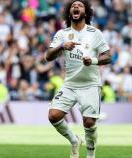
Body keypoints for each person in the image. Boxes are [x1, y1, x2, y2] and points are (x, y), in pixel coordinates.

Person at [46, 1, 111, 158]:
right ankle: (75, 141)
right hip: (70, 84)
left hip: (90, 85)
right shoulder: (62, 34)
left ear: (86, 13)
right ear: (70, 13)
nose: (76, 7)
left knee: (89, 123)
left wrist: (93, 61)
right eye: (73, 6)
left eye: (80, 5)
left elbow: (108, 56)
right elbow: (48, 57)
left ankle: (90, 155)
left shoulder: (95, 33)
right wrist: (62, 46)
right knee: (53, 116)